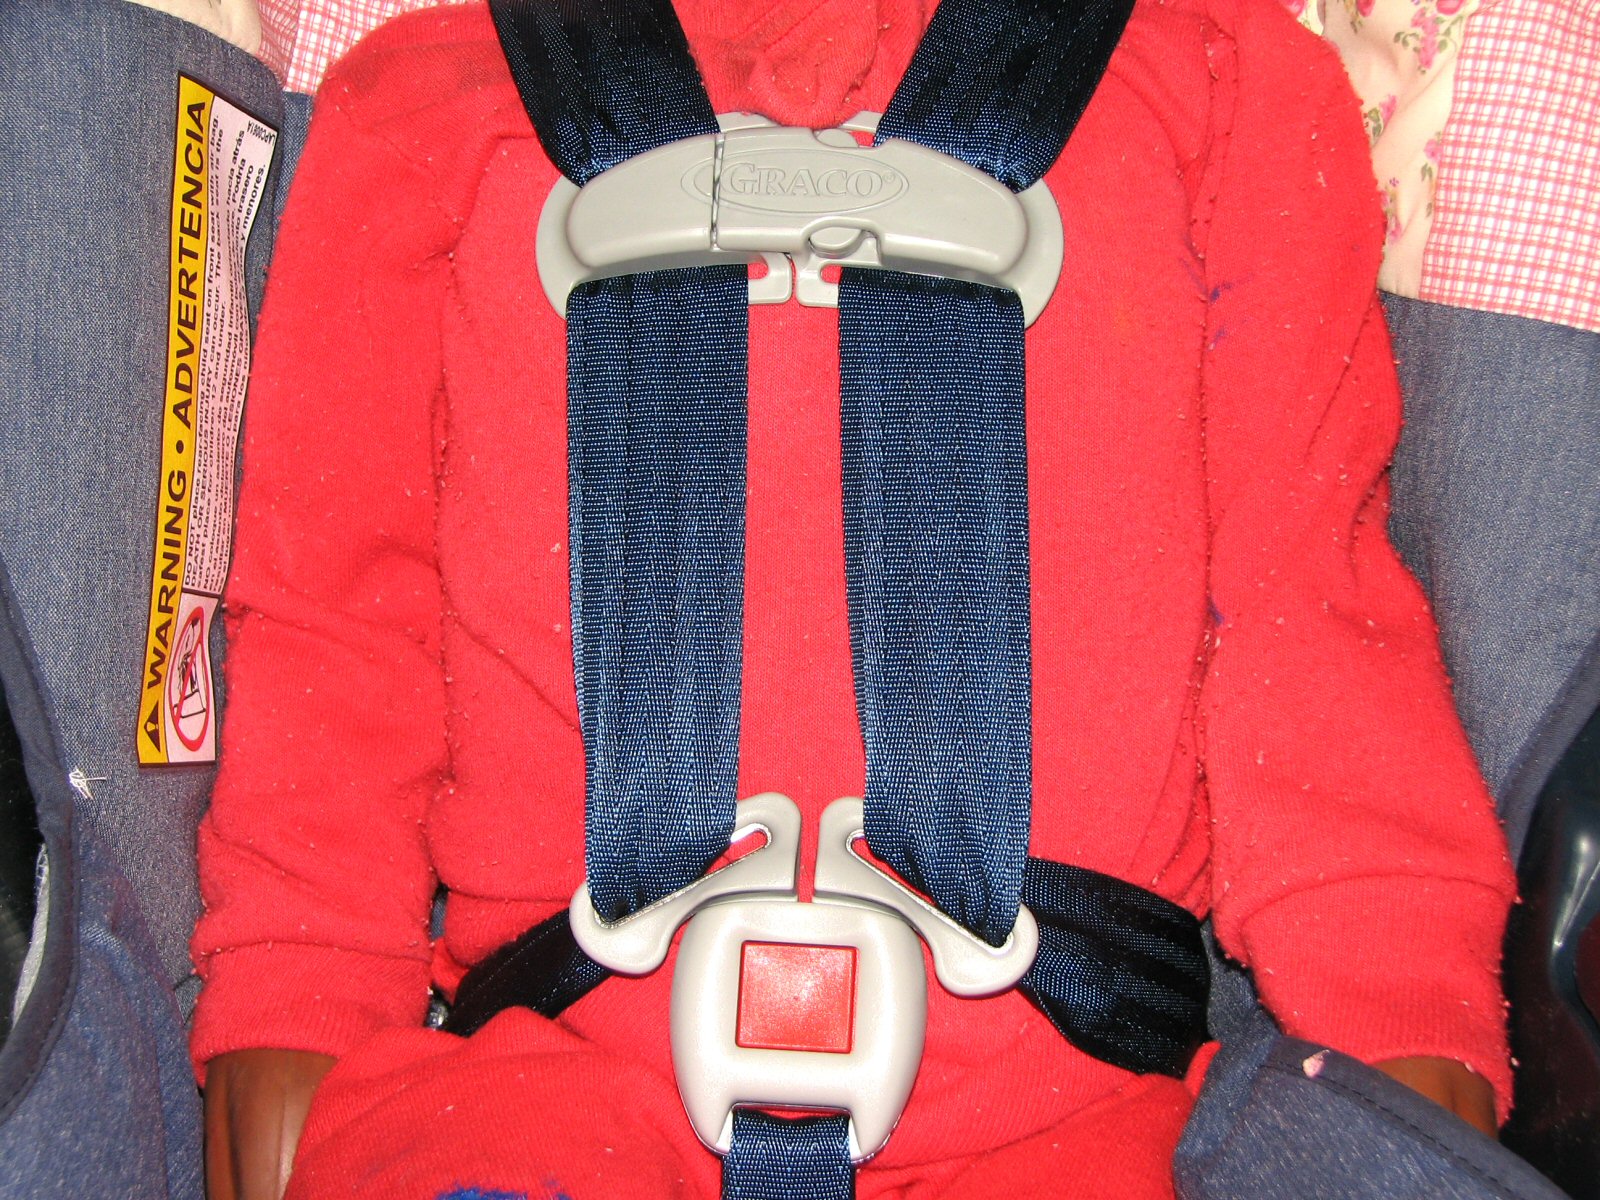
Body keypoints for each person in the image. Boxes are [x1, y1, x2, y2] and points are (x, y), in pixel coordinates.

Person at [192, 1, 1516, 1197]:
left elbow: (1305, 610)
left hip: (1078, 1104)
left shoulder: (1227, 85)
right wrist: (303, 979)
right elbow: (337, 620)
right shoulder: (428, 98)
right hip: (547, 1080)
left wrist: (1393, 1007)